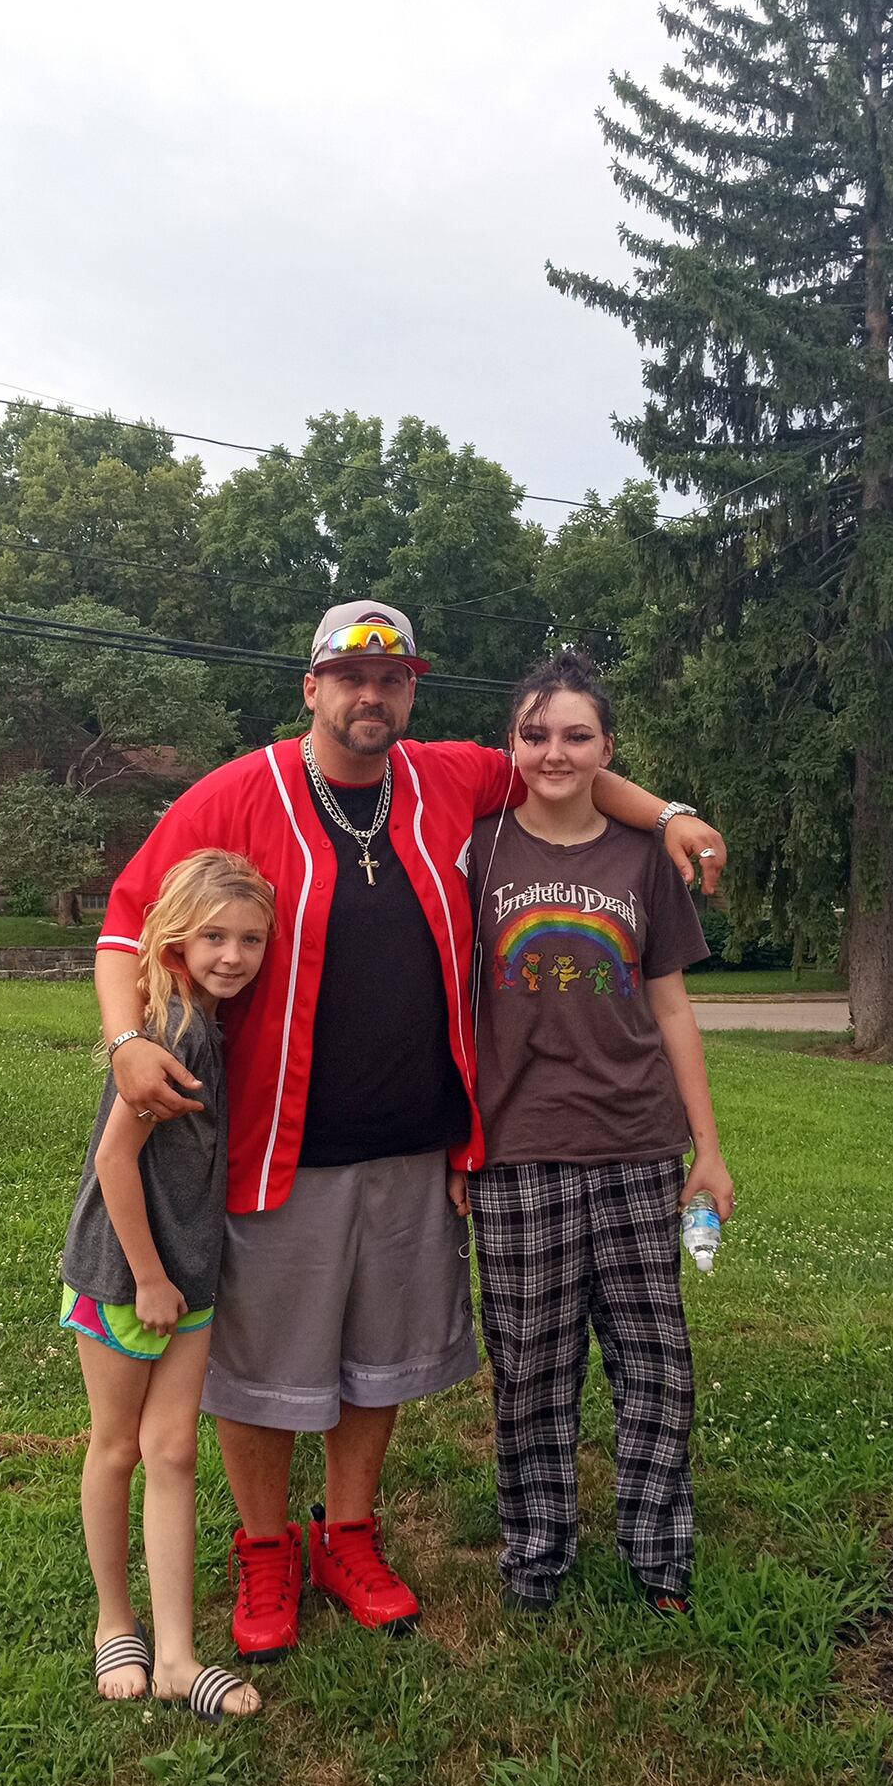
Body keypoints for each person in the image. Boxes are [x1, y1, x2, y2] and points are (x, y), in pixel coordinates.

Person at [94, 600, 728, 1661]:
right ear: (311, 688)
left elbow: (559, 772)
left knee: (379, 1358)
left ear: (410, 693)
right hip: (277, 1141)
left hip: (418, 1140)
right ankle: (263, 1549)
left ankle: (348, 1534)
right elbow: (124, 917)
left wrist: (666, 817)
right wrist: (124, 1044)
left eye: (390, 680)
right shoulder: (238, 792)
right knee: (264, 1361)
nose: (369, 695)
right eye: (349, 676)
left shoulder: (442, 776)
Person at [462, 652, 734, 1616]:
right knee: (531, 1370)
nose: (555, 752)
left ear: (608, 748)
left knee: (654, 1366)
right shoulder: (478, 850)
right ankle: (537, 1558)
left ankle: (660, 1556)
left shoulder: (642, 861)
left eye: (577, 734)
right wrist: (459, 1143)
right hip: (515, 1150)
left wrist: (707, 1146)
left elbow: (672, 1012)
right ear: (512, 745)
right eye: (535, 734)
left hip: (636, 1145)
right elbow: (449, 1003)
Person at [62, 849, 275, 1717]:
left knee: (176, 1451)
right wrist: (148, 1277)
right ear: (174, 940)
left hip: (188, 1270)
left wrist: (177, 1275)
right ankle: (117, 1622)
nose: (233, 954)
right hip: (127, 1272)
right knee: (117, 1446)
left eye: (251, 938)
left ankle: (181, 1656)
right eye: (213, 936)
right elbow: (116, 1159)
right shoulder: (170, 1032)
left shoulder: (210, 1023)